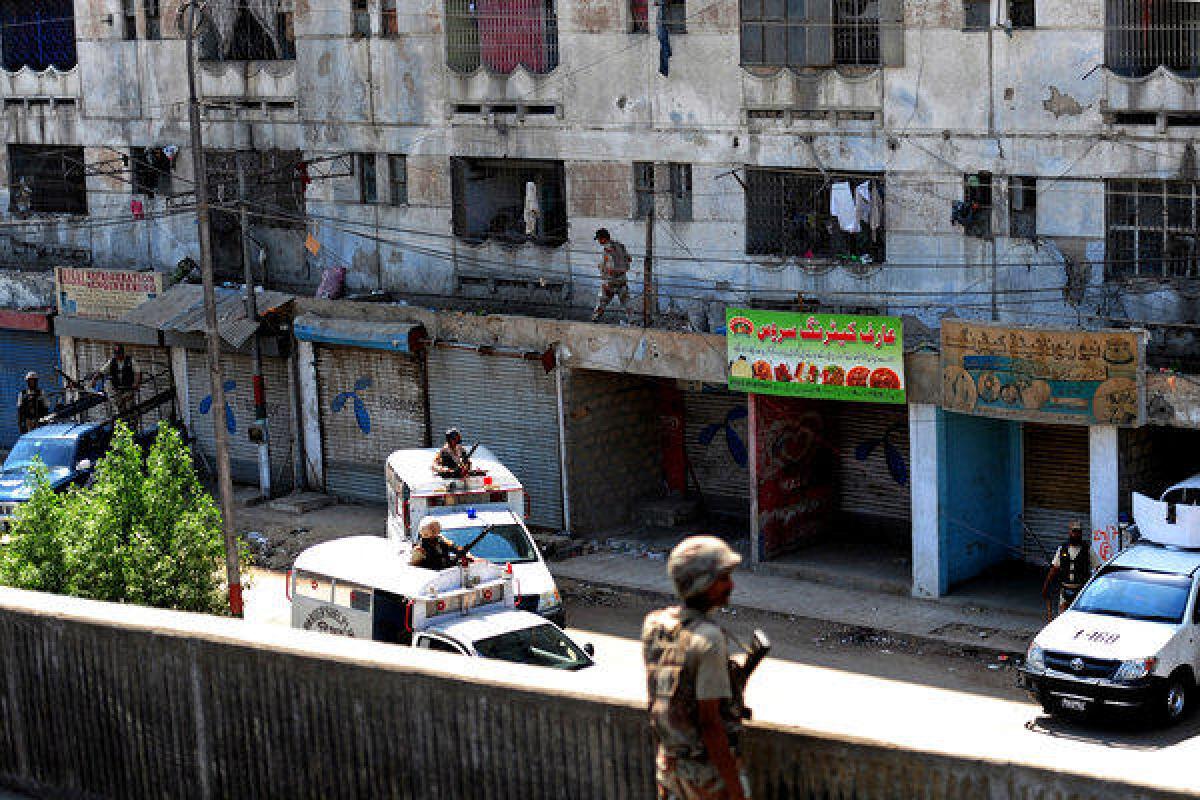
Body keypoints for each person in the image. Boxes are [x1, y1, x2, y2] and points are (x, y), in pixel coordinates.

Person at [643, 536, 749, 800]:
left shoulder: (655, 625)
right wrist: (734, 790)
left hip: (670, 769)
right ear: (703, 584)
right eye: (723, 578)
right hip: (706, 778)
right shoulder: (708, 638)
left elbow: (660, 702)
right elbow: (710, 723)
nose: (730, 585)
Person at [1042, 520, 1094, 620]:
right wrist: (1046, 586)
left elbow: (1098, 567)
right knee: (1062, 618)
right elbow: (1054, 569)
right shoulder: (1062, 549)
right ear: (1070, 532)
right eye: (1074, 531)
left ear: (1081, 533)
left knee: (1079, 618)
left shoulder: (1087, 549)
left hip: (1081, 590)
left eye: (1078, 532)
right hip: (1065, 589)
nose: (1076, 534)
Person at [590, 228, 632, 325]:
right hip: (622, 280)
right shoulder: (620, 246)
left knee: (602, 302)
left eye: (599, 239)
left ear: (603, 239)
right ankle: (632, 321)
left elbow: (610, 268)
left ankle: (594, 321)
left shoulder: (607, 250)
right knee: (626, 303)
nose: (599, 241)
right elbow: (629, 259)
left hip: (611, 282)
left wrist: (605, 280)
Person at [100, 345, 140, 417]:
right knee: (119, 408)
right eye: (116, 353)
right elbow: (102, 371)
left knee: (130, 408)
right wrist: (93, 380)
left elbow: (137, 373)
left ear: (122, 353)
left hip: (128, 388)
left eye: (119, 353)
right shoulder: (112, 361)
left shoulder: (130, 360)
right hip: (117, 388)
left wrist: (135, 384)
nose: (118, 355)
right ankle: (122, 422)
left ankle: (132, 423)